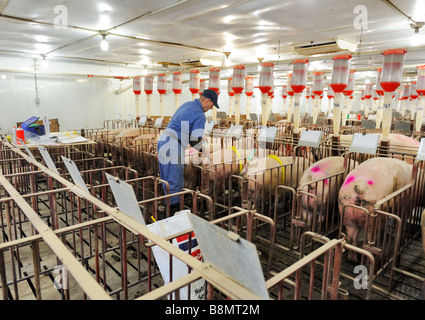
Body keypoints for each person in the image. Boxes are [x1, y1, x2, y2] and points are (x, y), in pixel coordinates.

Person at [157, 89, 219, 216]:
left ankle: (165, 209)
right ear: (207, 101)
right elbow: (194, 141)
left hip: (164, 140)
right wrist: (204, 150)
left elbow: (185, 131)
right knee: (175, 182)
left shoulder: (187, 105)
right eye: (212, 105)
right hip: (173, 145)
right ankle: (172, 216)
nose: (211, 108)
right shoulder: (200, 114)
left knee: (167, 181)